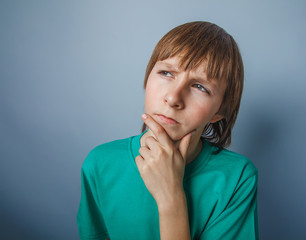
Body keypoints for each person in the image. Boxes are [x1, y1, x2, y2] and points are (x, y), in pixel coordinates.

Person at [77, 21, 258, 240]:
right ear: (147, 79)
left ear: (219, 111)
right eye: (166, 73)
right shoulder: (100, 163)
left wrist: (170, 195)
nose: (173, 98)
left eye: (200, 87)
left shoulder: (237, 178)